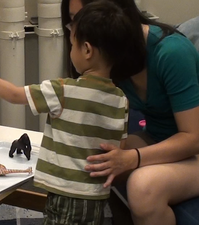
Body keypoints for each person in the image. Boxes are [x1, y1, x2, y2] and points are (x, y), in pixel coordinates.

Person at [0, 1, 145, 224]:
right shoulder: (121, 100)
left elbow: (15, 95)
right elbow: (119, 150)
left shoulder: (63, 90)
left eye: (72, 44)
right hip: (96, 198)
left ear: (86, 50)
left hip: (66, 196)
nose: (70, 50)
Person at [62, 0, 199, 225]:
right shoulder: (112, 59)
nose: (76, 31)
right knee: (92, 159)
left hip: (194, 150)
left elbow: (193, 138)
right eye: (73, 20)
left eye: (82, 18)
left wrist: (131, 159)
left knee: (143, 187)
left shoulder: (171, 53)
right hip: (160, 139)